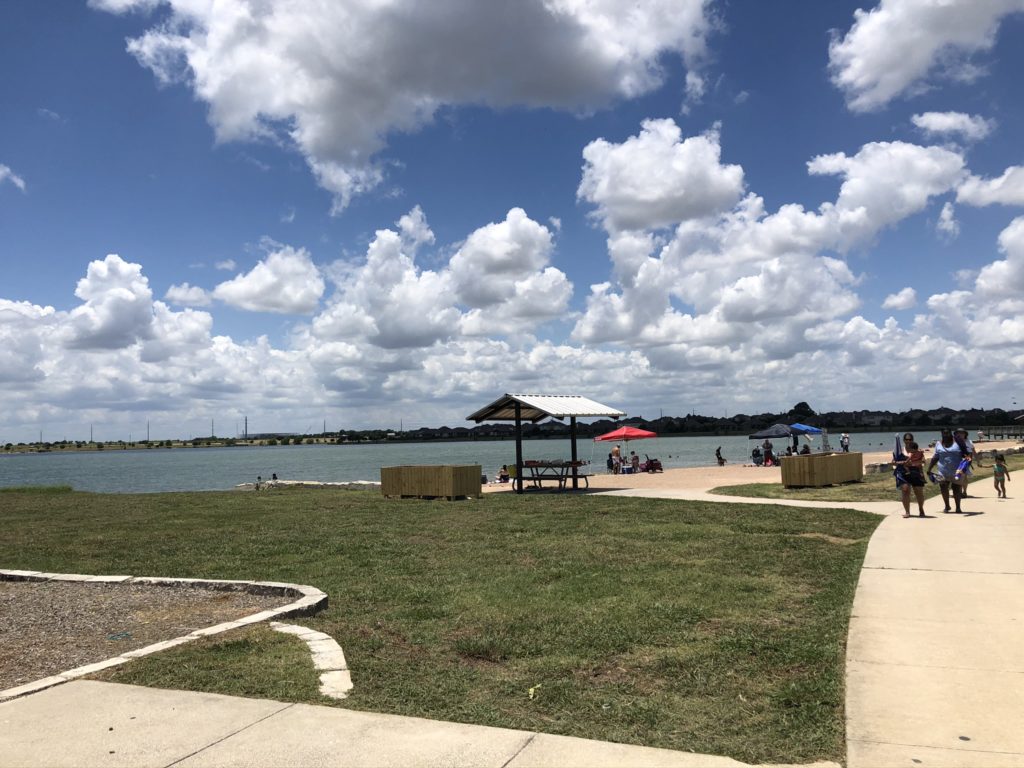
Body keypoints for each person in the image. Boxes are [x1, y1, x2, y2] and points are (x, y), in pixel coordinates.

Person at [927, 429, 968, 513]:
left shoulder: (958, 442)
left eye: (947, 433)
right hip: (942, 470)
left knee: (956, 488)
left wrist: (965, 465)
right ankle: (947, 506)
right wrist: (929, 468)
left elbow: (966, 455)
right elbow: (936, 457)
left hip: (957, 470)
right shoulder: (938, 443)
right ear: (941, 434)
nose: (945, 435)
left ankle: (958, 507)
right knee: (943, 486)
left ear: (951, 433)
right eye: (944, 434)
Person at [894, 436, 926, 517]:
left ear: (912, 440)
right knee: (905, 490)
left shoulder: (918, 451)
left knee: (918, 492)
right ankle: (907, 512)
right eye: (906, 439)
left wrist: (912, 463)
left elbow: (923, 461)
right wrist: (901, 462)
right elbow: (894, 461)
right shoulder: (900, 450)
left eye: (910, 439)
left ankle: (921, 508)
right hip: (903, 473)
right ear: (904, 440)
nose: (908, 441)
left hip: (916, 473)